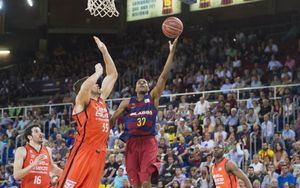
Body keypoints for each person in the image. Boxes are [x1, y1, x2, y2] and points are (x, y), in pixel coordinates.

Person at [111, 37, 179, 188]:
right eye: (139, 82)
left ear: (148, 88)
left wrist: (171, 52)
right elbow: (112, 119)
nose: (142, 82)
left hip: (148, 141)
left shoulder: (153, 98)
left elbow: (163, 76)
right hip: (132, 142)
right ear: (135, 89)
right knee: (135, 183)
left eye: (145, 82)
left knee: (146, 181)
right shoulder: (127, 102)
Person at [56, 36, 118, 187]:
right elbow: (85, 87)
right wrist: (97, 73)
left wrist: (105, 51)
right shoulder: (82, 102)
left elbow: (112, 75)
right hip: (84, 151)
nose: (97, 83)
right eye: (94, 82)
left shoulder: (101, 99)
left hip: (100, 153)